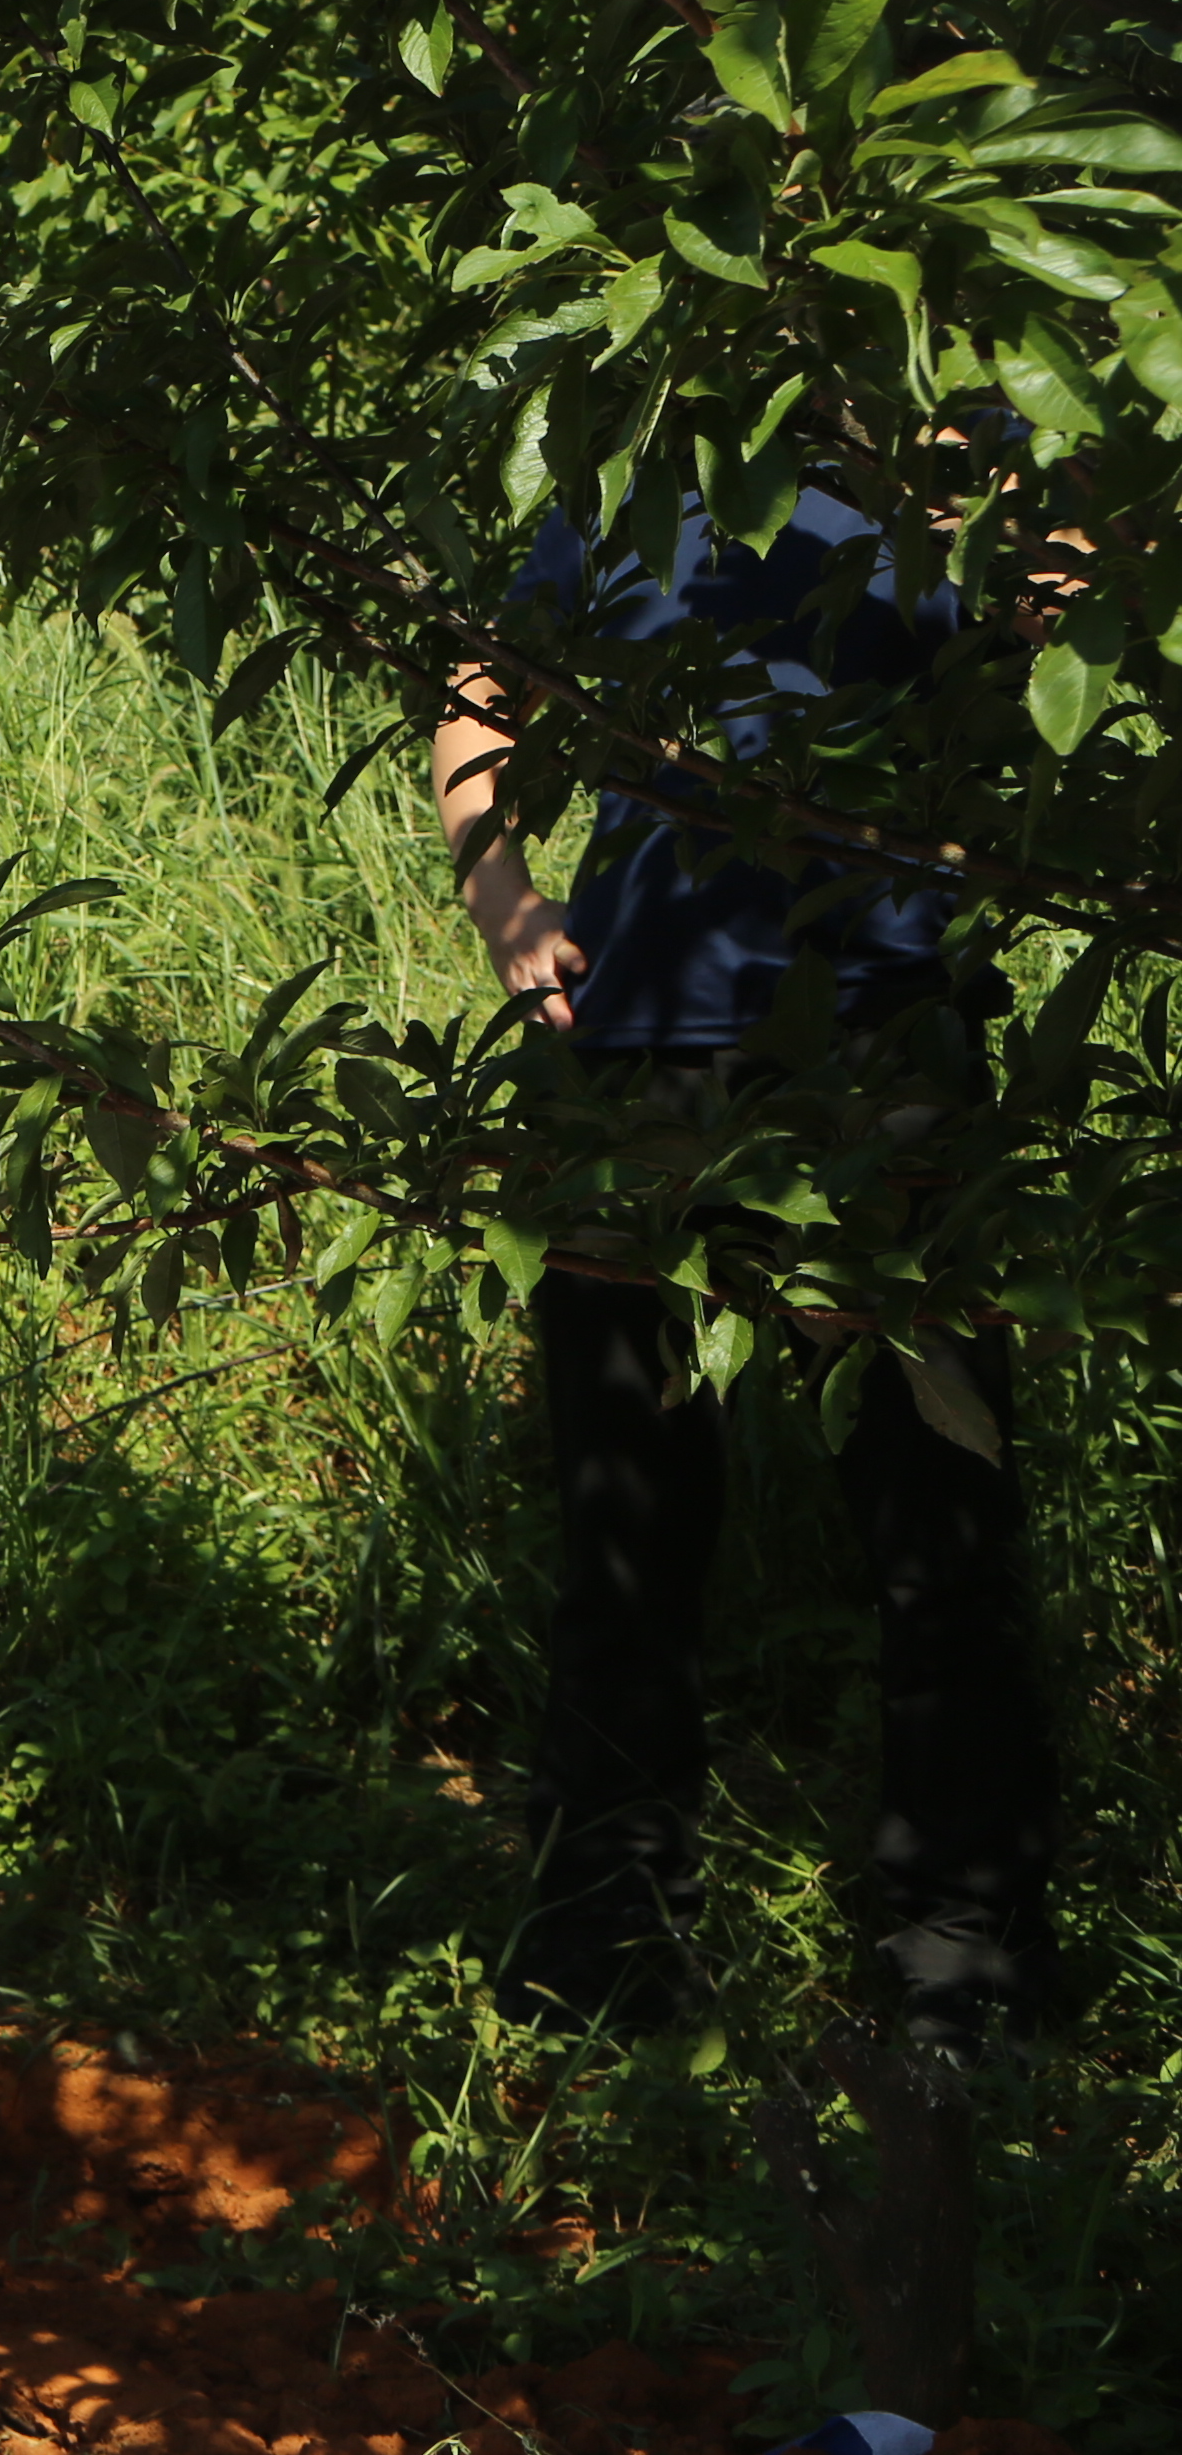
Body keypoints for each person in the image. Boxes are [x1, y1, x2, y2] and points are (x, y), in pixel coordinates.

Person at [433, 495, 1055, 2049]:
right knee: (624, 1519)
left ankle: (957, 1959)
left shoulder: (952, 425)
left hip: (890, 1028)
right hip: (639, 1046)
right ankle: (605, 1944)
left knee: (941, 1516)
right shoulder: (644, 431)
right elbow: (483, 672)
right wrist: (500, 890)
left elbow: (1078, 629)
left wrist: (1003, 527)